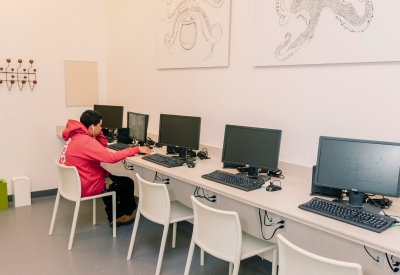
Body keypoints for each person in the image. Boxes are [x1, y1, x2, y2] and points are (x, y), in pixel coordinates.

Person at [59, 110, 150, 227]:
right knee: (127, 183)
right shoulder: (86, 141)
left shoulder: (75, 136)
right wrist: (137, 149)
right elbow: (111, 158)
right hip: (86, 185)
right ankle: (124, 215)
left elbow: (101, 146)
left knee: (110, 178)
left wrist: (96, 132)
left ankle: (115, 215)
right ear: (92, 126)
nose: (101, 128)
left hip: (73, 184)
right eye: (100, 126)